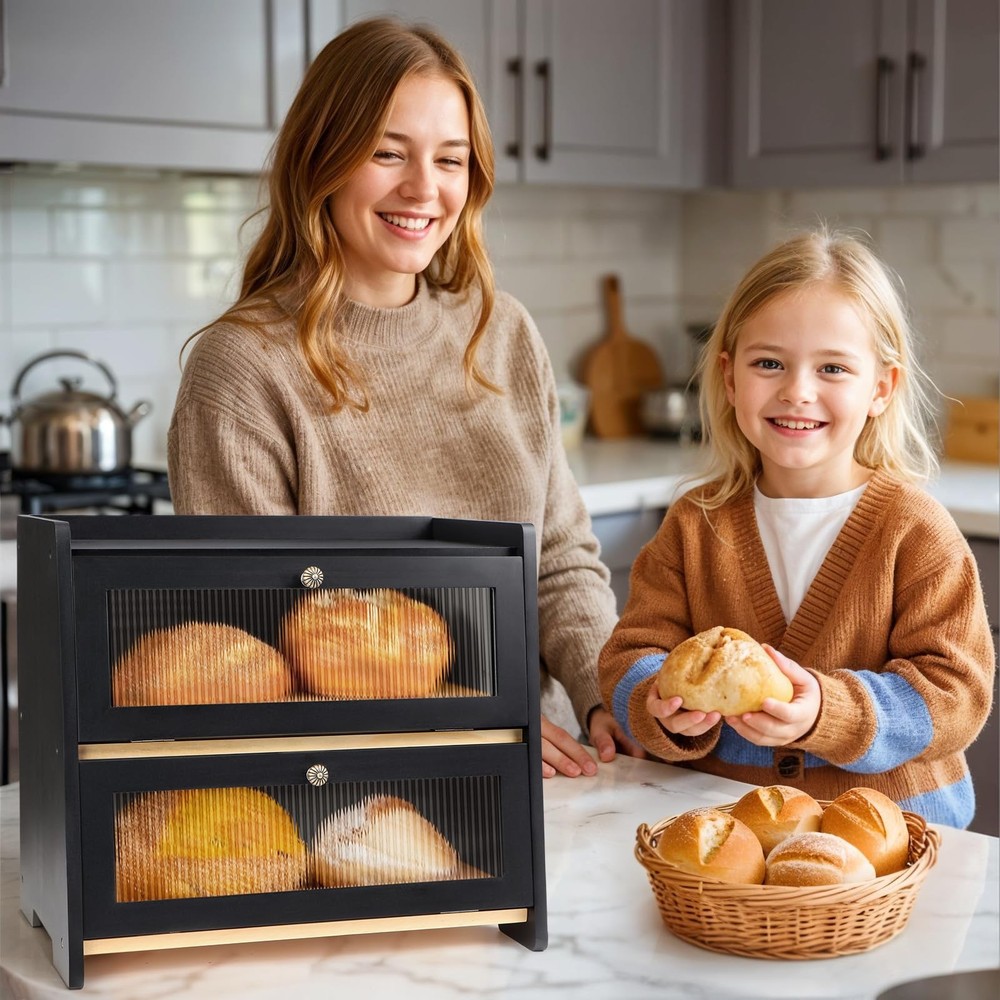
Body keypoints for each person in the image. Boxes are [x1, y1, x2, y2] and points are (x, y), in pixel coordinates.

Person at [168, 16, 642, 778]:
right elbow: (258, 636)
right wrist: (468, 721)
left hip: (545, 763)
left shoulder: (503, 333)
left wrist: (607, 698)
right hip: (354, 781)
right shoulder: (243, 367)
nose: (425, 188)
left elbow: (558, 563)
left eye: (449, 160)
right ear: (321, 159)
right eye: (387, 153)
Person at [598, 229, 994, 827]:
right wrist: (655, 703)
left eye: (833, 367)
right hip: (730, 826)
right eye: (769, 363)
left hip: (896, 835)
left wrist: (826, 713)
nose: (797, 391)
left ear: (881, 388)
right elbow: (631, 653)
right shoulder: (694, 525)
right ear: (730, 379)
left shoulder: (915, 532)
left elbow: (955, 694)